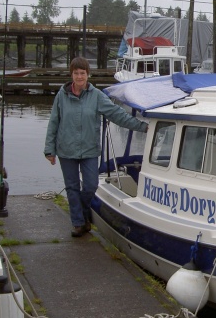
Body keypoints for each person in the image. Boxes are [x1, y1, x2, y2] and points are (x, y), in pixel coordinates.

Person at [44, 57, 144, 237]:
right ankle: (78, 223)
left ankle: (83, 215)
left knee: (90, 186)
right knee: (72, 187)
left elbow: (117, 115)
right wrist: (49, 150)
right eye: (76, 73)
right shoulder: (62, 95)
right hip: (66, 150)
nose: (79, 76)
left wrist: (143, 127)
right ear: (71, 75)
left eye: (83, 73)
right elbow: (53, 122)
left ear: (88, 75)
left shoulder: (96, 96)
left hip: (89, 149)